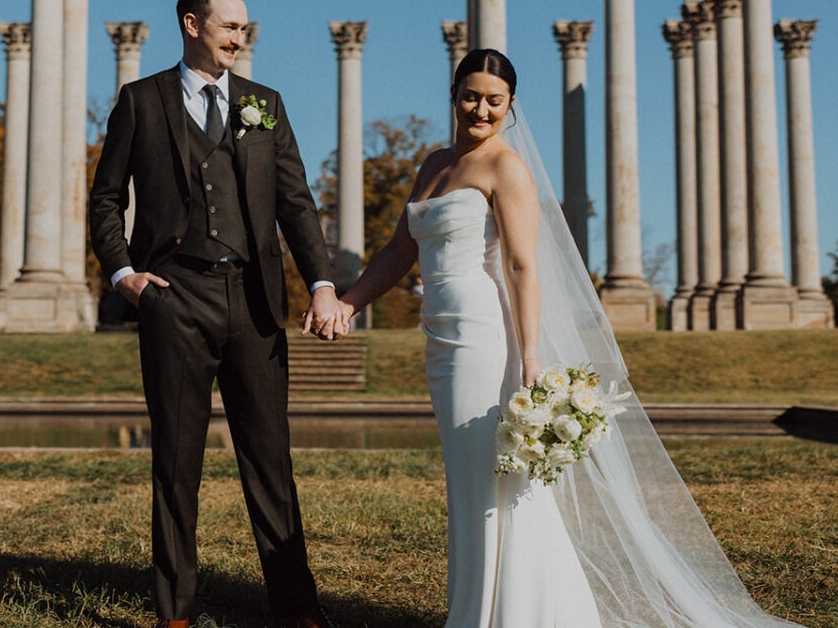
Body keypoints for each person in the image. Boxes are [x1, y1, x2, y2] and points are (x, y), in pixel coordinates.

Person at [317, 49, 799, 628]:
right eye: (472, 96)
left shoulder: (506, 168)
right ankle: (479, 608)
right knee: (468, 481)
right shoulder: (433, 164)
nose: (482, 109)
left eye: (495, 101)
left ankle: (527, 614)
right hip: (440, 340)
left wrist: (530, 356)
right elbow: (400, 250)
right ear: (454, 95)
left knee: (497, 480)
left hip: (484, 338)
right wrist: (348, 302)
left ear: (510, 106)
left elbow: (523, 266)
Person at [89, 0, 342, 628]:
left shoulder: (260, 105)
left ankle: (297, 611)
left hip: (255, 302)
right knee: (177, 463)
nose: (241, 36)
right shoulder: (142, 102)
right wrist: (124, 276)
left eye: (244, 26)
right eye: (230, 25)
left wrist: (320, 282)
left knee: (270, 459)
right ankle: (174, 613)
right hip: (175, 299)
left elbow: (295, 202)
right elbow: (107, 199)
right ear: (192, 24)